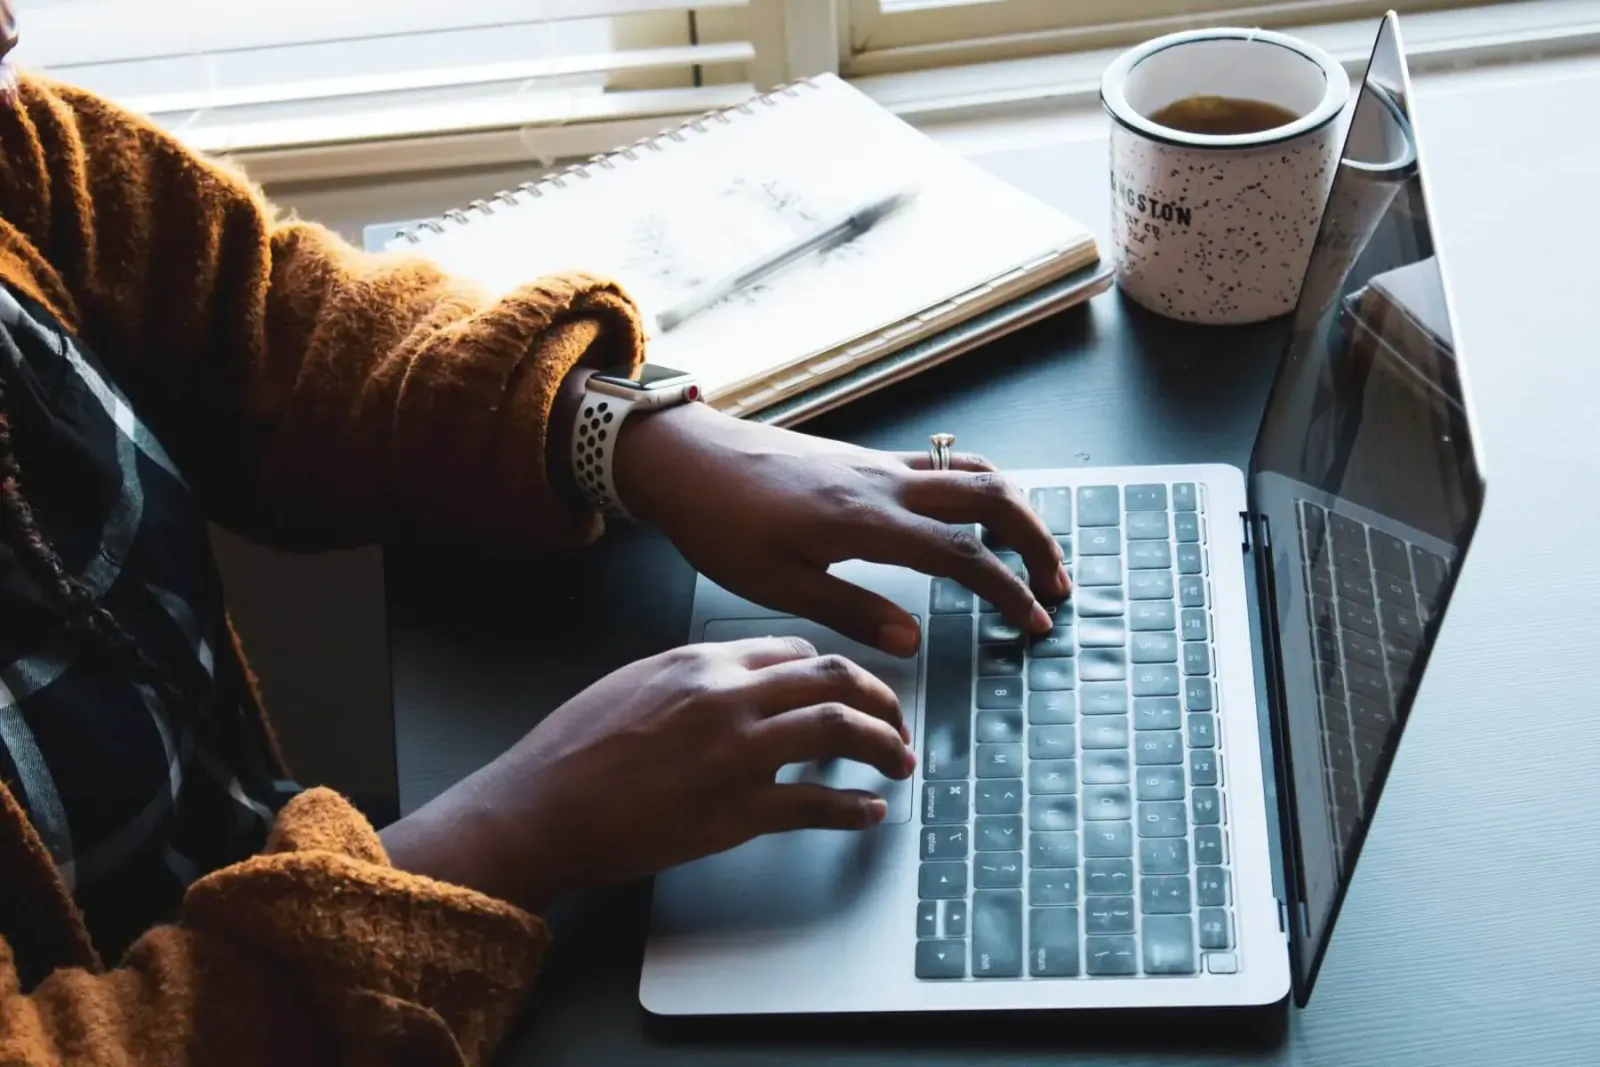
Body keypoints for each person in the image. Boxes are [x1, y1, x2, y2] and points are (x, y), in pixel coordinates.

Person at [0, 9, 1070, 1065]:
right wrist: (514, 831)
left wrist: (640, 436)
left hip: (272, 873)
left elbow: (270, 314)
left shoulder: (16, 153)